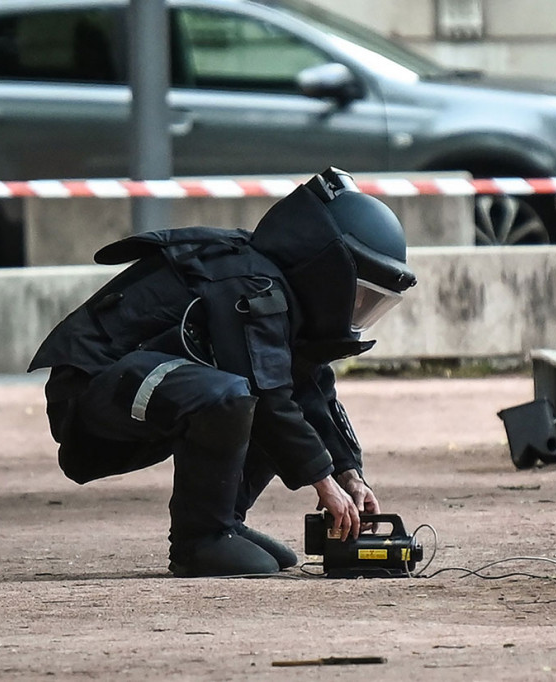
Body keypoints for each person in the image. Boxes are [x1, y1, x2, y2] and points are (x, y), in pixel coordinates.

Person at [28, 168, 417, 577]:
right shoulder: (249, 285)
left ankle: (225, 524)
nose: (360, 308)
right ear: (329, 270)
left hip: (140, 387)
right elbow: (268, 397)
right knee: (237, 394)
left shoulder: (279, 292)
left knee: (261, 396)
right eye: (360, 295)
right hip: (92, 395)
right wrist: (323, 483)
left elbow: (306, 391)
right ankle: (200, 539)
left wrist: (350, 475)